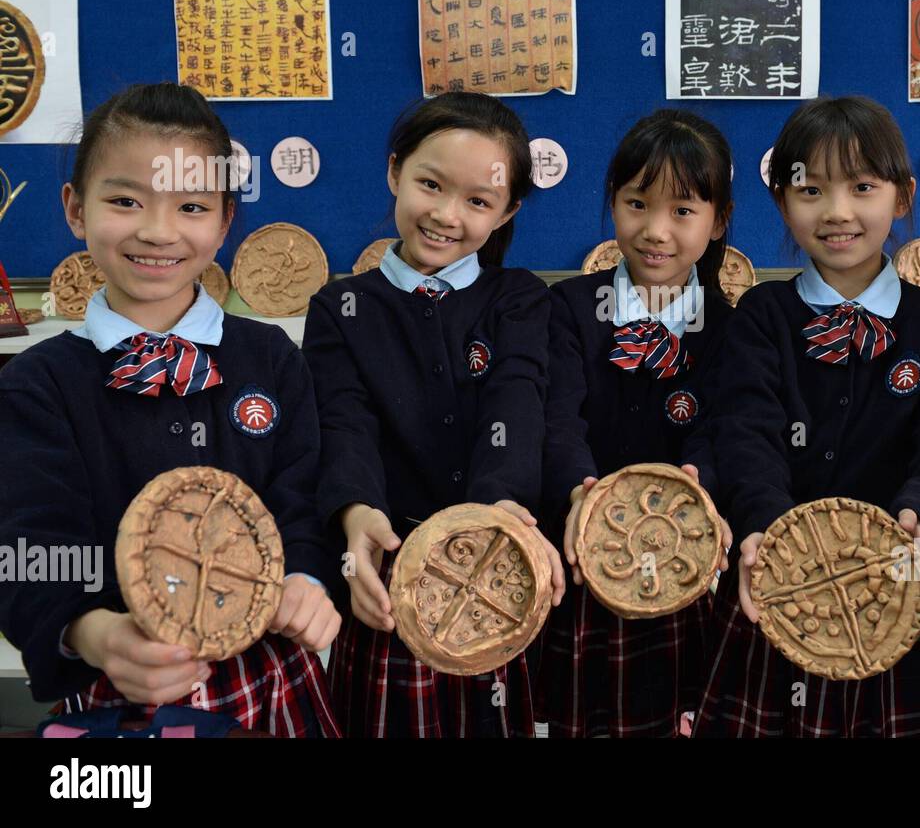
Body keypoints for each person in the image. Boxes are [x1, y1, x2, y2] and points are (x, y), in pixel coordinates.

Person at [0, 83, 340, 736]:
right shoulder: (37, 382)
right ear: (75, 208)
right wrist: (92, 631)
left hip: (268, 680)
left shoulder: (269, 357)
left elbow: (302, 497)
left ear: (224, 220)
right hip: (117, 690)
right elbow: (28, 545)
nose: (157, 231)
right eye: (125, 200)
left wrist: (307, 578)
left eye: (190, 205)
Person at [690, 96, 920, 737]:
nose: (838, 212)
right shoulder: (762, 317)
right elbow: (745, 431)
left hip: (892, 592)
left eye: (862, 187)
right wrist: (765, 531)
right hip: (774, 581)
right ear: (780, 201)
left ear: (903, 197)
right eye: (811, 190)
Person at [302, 92, 563, 737]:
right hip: (391, 571)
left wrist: (495, 508)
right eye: (430, 184)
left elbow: (517, 397)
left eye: (478, 201)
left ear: (507, 211)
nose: (447, 215)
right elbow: (344, 421)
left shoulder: (520, 299)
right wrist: (356, 512)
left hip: (495, 563)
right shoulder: (341, 307)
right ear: (395, 172)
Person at [537, 110, 736, 738]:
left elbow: (724, 425)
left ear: (718, 221)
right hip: (582, 557)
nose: (655, 231)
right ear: (613, 204)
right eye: (636, 203)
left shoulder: (732, 327)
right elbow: (557, 419)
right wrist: (581, 496)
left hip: (684, 562)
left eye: (683, 211)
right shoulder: (567, 308)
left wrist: (693, 492)